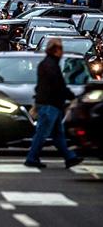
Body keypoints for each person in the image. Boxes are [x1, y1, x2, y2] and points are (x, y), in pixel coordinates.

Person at [24, 38, 83, 169]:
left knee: (57, 133)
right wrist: (71, 96)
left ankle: (69, 157)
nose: (62, 52)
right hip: (50, 103)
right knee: (43, 132)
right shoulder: (50, 65)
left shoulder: (48, 64)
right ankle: (32, 157)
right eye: (60, 48)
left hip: (51, 103)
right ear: (55, 50)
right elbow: (57, 85)